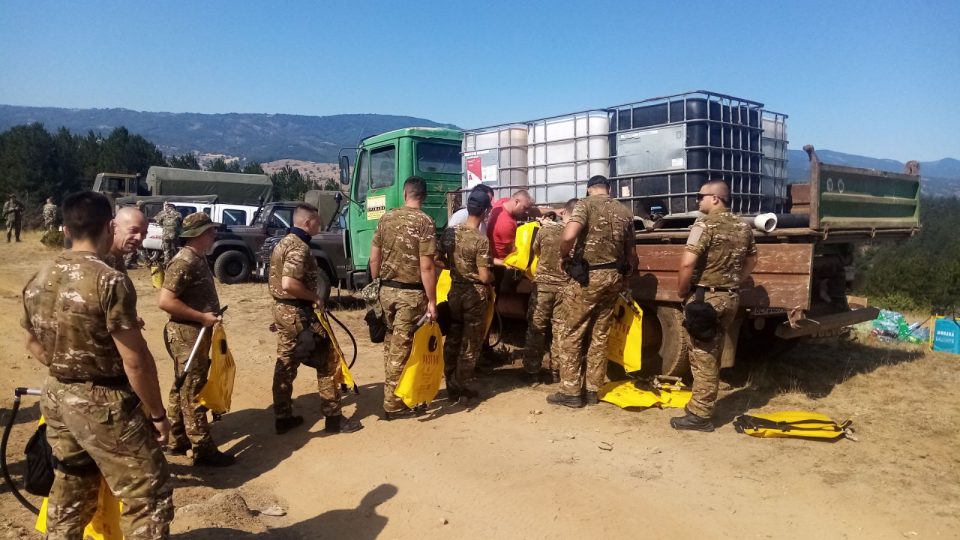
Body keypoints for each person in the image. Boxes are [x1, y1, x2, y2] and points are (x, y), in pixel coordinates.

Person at [20, 191, 173, 539]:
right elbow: (135, 361)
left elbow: (29, 340)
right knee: (148, 492)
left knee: (73, 483)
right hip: (104, 403)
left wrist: (65, 366)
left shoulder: (39, 277)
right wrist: (157, 415)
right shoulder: (109, 280)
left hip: (57, 396)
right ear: (108, 226)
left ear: (68, 228)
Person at [671, 180, 757, 432]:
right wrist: (735, 282)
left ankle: (700, 415)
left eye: (701, 196)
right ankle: (699, 403)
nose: (698, 201)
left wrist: (682, 291)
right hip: (730, 297)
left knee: (702, 356)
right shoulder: (744, 226)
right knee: (713, 351)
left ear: (716, 199)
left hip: (706, 298)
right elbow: (753, 259)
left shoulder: (704, 225)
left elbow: (687, 264)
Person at [270, 203, 362, 434]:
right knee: (328, 362)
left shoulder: (283, 242)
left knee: (286, 363)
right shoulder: (299, 248)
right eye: (317, 221)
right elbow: (289, 284)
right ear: (308, 222)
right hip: (299, 313)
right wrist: (314, 297)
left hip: (283, 312)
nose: (319, 225)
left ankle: (283, 416)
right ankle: (334, 418)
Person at [547, 176, 637, 408]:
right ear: (609, 189)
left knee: (572, 331)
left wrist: (564, 256)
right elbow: (631, 255)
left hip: (589, 278)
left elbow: (568, 235)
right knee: (600, 334)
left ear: (589, 189)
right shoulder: (624, 211)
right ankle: (592, 390)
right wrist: (624, 280)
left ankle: (570, 392)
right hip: (613, 277)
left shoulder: (584, 205)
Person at [158, 212, 236, 464]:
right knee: (193, 388)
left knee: (182, 383)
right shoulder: (183, 262)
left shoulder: (197, 257)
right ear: (198, 235)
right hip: (187, 333)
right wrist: (201, 317)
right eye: (210, 231)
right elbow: (166, 301)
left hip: (196, 332)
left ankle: (177, 438)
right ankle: (202, 448)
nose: (214, 234)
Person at [369, 176, 438, 420]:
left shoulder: (386, 218)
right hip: (410, 294)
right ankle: (394, 404)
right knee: (402, 348)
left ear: (404, 193)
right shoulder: (425, 222)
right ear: (424, 195)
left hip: (386, 291)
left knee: (391, 344)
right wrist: (432, 300)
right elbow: (427, 267)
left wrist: (377, 283)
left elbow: (374, 258)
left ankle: (394, 392)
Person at [438, 189, 494, 402]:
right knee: (470, 342)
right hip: (474, 295)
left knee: (453, 338)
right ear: (486, 212)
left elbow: (437, 259)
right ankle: (461, 386)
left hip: (454, 291)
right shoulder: (481, 240)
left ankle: (450, 382)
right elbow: (484, 275)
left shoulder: (450, 233)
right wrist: (489, 278)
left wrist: (454, 267)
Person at [521, 198, 578, 384]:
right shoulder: (576, 236)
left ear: (564, 212)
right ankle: (556, 372)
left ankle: (531, 372)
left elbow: (536, 251)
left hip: (543, 287)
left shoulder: (545, 230)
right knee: (560, 330)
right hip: (565, 287)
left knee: (536, 329)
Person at [486, 190, 534, 261]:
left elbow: (532, 211)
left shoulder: (502, 202)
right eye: (525, 208)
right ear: (516, 202)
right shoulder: (506, 224)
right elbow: (515, 251)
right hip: (504, 262)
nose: (527, 212)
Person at [102, 206, 149, 275]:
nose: (139, 238)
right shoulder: (100, 260)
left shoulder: (117, 257)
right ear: (114, 227)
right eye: (133, 231)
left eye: (143, 234)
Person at [155, 202, 183, 267]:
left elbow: (158, 221)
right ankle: (175, 262)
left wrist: (164, 226)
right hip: (175, 235)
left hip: (166, 235)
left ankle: (166, 263)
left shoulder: (163, 214)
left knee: (166, 249)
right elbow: (181, 222)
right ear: (174, 208)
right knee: (176, 249)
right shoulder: (178, 214)